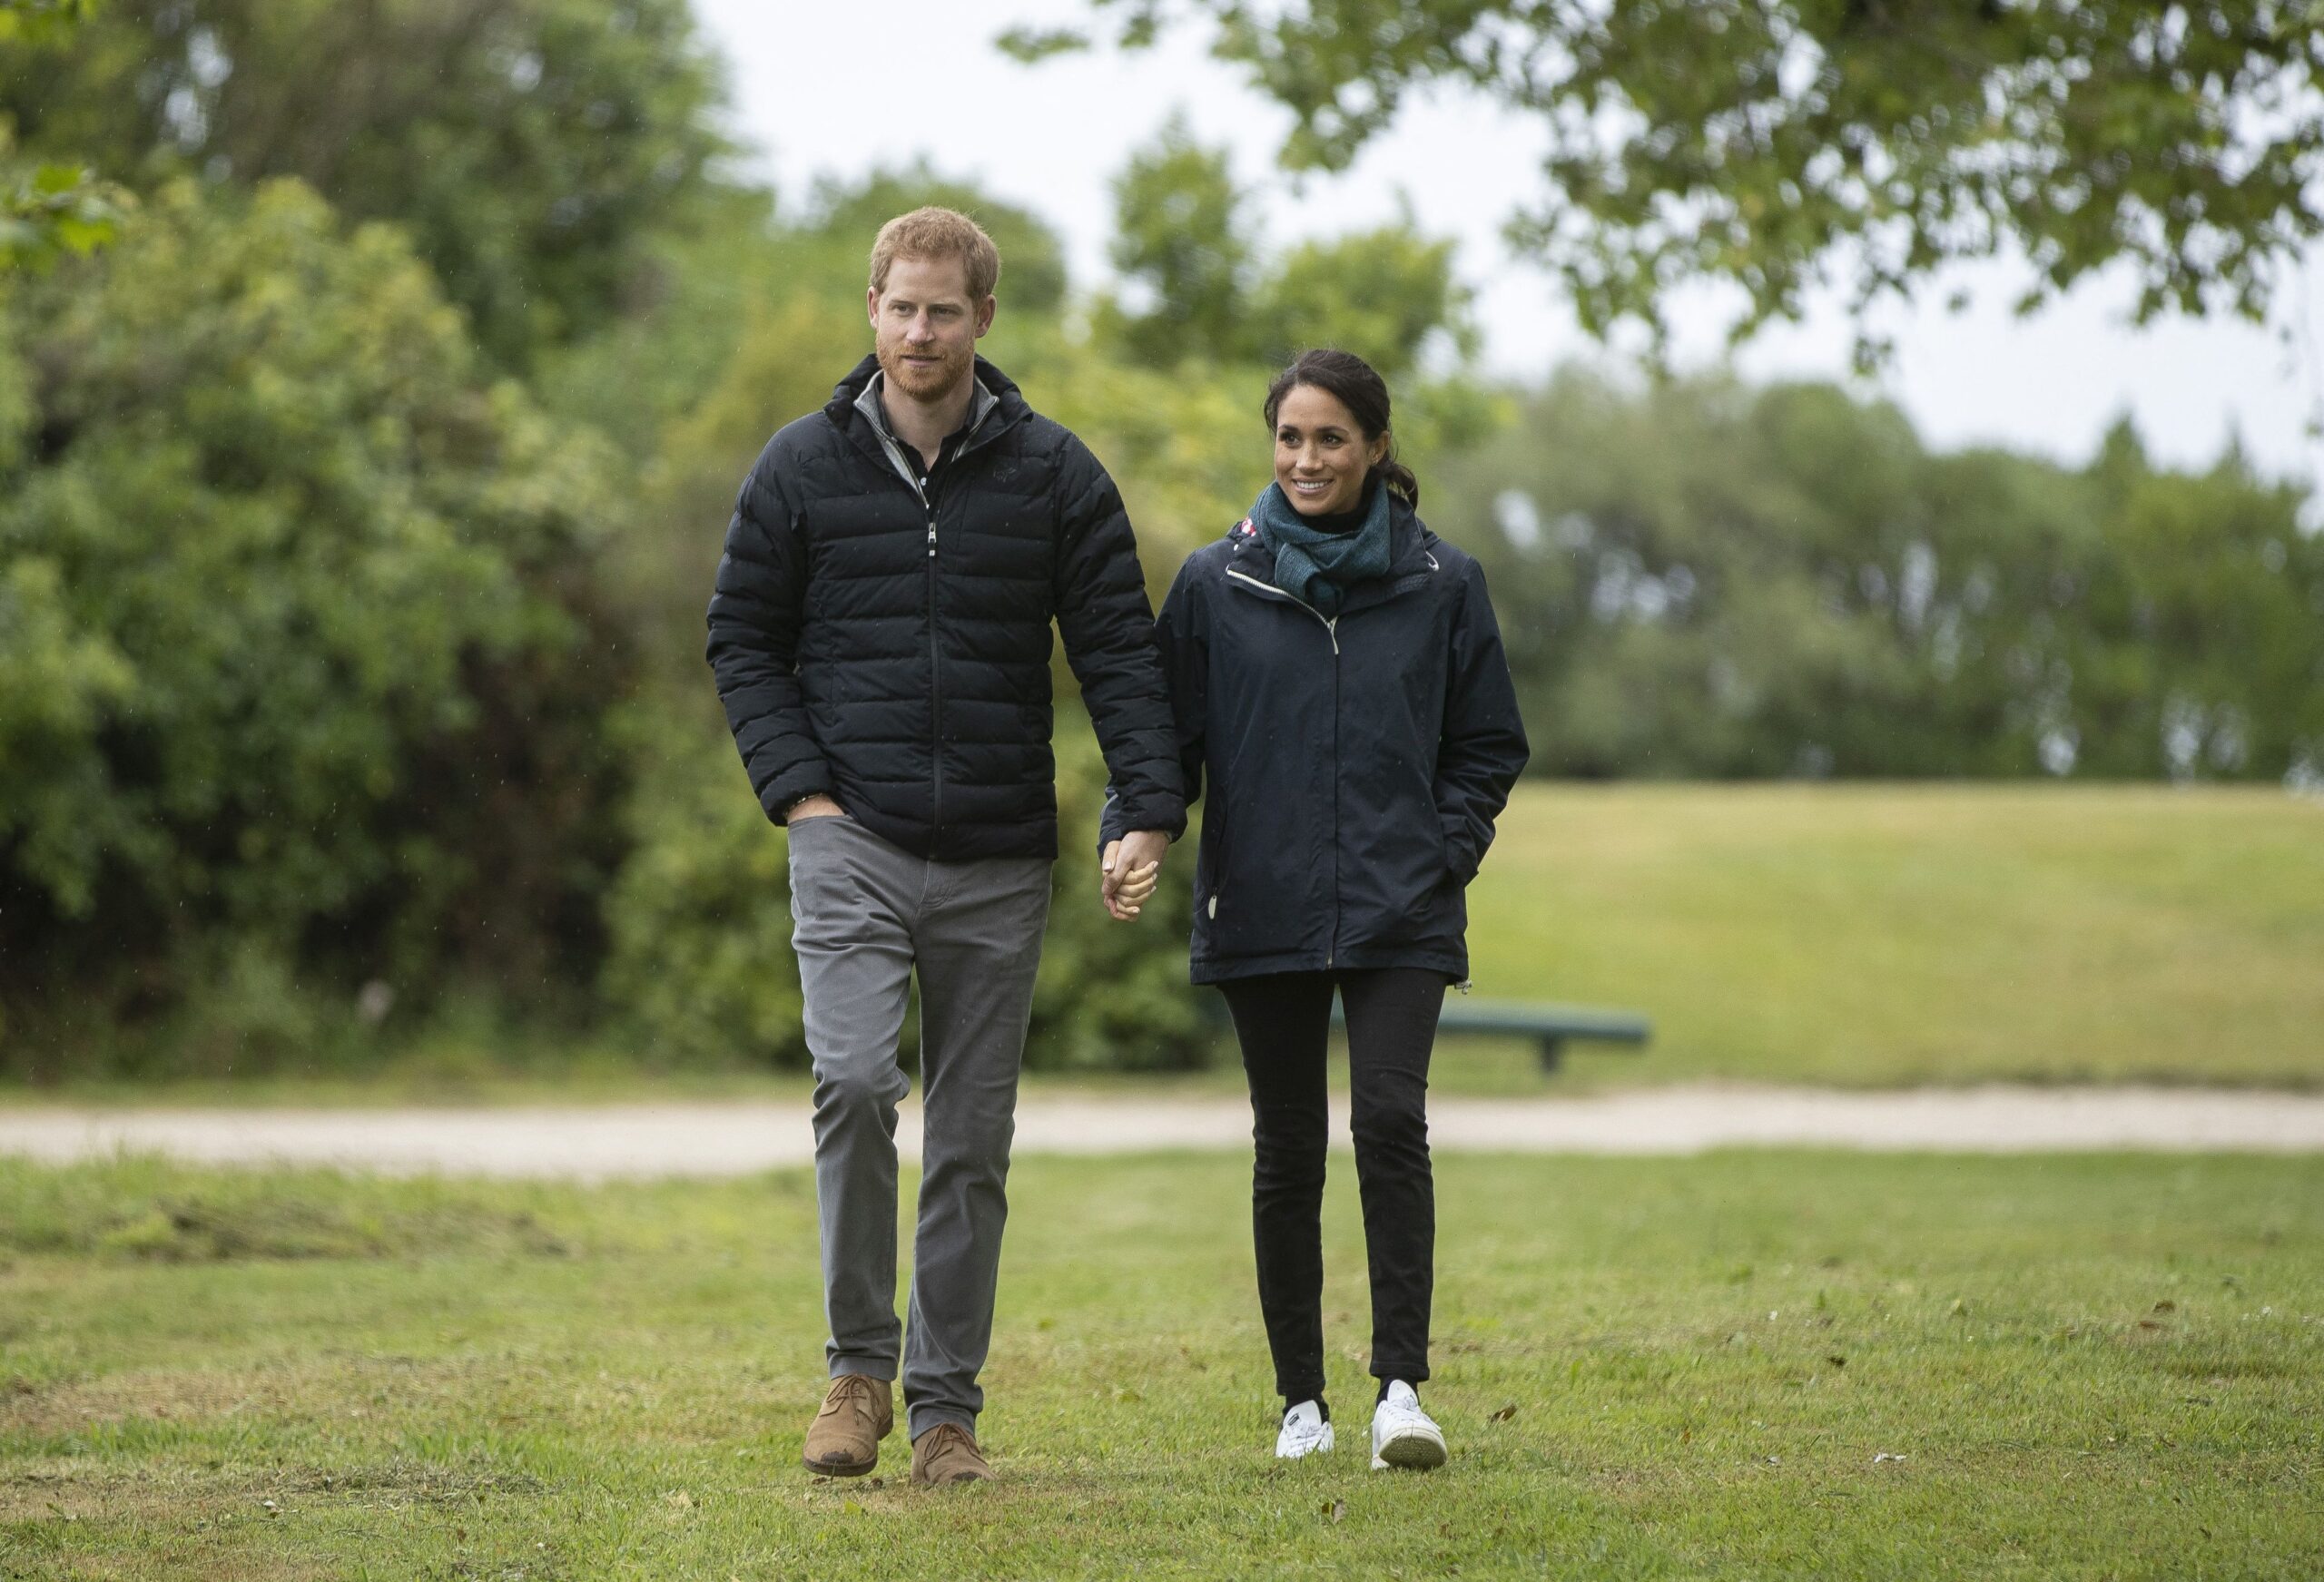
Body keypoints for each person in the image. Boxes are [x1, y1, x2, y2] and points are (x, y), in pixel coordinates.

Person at [707, 207, 1180, 1488]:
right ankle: (856, 1371)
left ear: (983, 319)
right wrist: (801, 794)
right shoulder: (801, 467)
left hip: (998, 852)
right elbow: (741, 636)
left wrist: (1146, 803)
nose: (922, 330)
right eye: (901, 307)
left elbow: (1120, 651)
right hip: (846, 835)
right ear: (871, 310)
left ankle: (945, 1411)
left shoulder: (1055, 474)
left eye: (945, 310)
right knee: (856, 1083)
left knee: (972, 1133)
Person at [1104, 349, 1529, 1469]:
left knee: (1390, 1125)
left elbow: (1488, 744)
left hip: (1402, 906)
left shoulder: (1444, 583)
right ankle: (1303, 1403)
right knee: (1287, 1151)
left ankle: (1400, 1392)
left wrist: (1445, 853)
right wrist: (1134, 828)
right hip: (1264, 902)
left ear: (1377, 447)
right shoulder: (1213, 584)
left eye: (1329, 438)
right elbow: (1165, 742)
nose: (1305, 458)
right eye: (1289, 438)